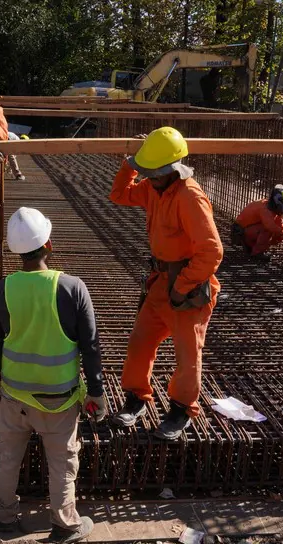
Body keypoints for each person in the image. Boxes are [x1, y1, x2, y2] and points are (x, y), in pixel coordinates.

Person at [0, 207, 106, 544]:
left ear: (15, 251)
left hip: (14, 398)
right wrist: (97, 391)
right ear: (48, 244)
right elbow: (91, 346)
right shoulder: (72, 288)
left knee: (8, 456)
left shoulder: (3, 289)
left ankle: (4, 514)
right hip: (59, 402)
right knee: (62, 462)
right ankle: (65, 523)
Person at [108, 127, 223, 439]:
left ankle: (181, 410)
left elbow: (212, 251)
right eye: (148, 173)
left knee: (188, 357)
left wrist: (182, 287)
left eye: (154, 173)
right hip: (160, 282)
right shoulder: (152, 188)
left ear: (174, 169)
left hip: (188, 288)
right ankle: (135, 399)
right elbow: (118, 194)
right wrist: (131, 164)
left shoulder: (189, 197)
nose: (150, 179)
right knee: (140, 343)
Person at [231, 185, 283, 261]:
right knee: (268, 230)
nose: (282, 213)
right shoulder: (265, 210)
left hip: (247, 229)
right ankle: (256, 253)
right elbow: (270, 226)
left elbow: (279, 224)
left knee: (277, 235)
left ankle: (251, 247)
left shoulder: (270, 208)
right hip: (240, 232)